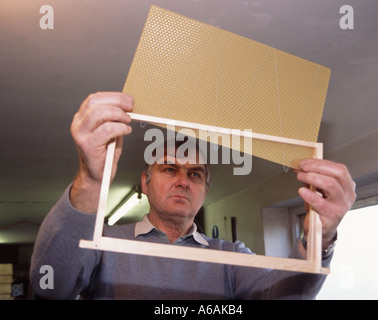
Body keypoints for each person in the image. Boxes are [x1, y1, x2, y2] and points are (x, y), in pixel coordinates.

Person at [30, 92, 356, 299]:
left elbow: (286, 297)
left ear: (205, 191)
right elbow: (50, 286)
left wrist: (319, 238)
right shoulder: (105, 244)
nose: (184, 180)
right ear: (144, 182)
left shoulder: (232, 256)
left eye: (195, 174)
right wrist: (90, 180)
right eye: (169, 169)